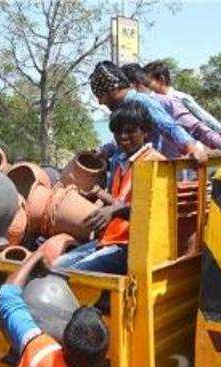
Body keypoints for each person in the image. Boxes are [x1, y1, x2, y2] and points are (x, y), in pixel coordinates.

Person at [54, 102, 150, 275]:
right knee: (56, 267)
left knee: (69, 275)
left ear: (145, 131)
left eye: (130, 131)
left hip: (131, 247)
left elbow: (151, 209)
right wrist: (97, 197)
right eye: (118, 132)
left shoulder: (155, 162)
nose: (123, 136)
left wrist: (113, 211)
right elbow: (120, 201)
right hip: (110, 240)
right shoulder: (121, 163)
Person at [0, 251, 113, 367]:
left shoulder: (41, 352)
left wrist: (37, 255)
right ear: (103, 357)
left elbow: (7, 297)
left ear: (63, 341)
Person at [89, 61, 208, 164]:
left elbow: (169, 127)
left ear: (112, 90)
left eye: (100, 96)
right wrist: (104, 151)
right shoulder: (119, 109)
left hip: (148, 168)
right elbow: (120, 142)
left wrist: (190, 147)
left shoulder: (142, 101)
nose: (100, 102)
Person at [121, 63, 221, 156]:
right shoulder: (126, 109)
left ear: (134, 84)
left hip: (169, 169)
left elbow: (199, 126)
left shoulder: (169, 102)